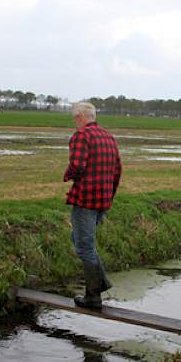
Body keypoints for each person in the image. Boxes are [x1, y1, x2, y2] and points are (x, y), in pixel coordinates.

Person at [64, 102, 122, 309]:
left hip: (86, 199)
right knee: (80, 240)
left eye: (74, 118)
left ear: (80, 117)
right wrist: (109, 196)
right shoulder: (108, 137)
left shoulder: (82, 136)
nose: (74, 122)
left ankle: (93, 295)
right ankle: (100, 284)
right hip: (102, 200)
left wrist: (67, 175)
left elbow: (77, 166)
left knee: (84, 246)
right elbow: (117, 170)